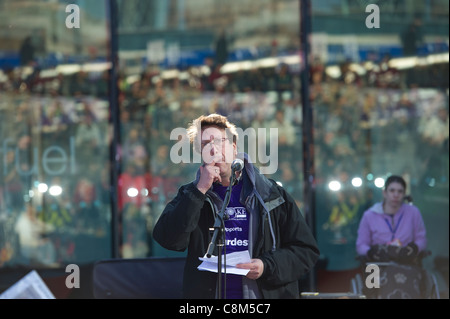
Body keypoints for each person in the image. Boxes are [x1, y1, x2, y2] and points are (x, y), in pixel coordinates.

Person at [153, 113, 319, 299]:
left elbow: (306, 251)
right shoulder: (191, 195)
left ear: (233, 147)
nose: (213, 149)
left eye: (218, 141)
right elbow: (168, 239)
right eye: (205, 145)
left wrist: (266, 266)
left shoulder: (271, 194)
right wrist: (199, 190)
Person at [356, 175, 427, 264]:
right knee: (371, 277)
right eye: (392, 190)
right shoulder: (369, 215)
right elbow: (361, 245)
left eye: (400, 191)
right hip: (377, 263)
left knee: (411, 276)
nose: (396, 195)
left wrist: (414, 248)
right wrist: (370, 252)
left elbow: (422, 240)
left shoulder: (413, 212)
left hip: (406, 262)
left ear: (404, 194)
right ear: (384, 193)